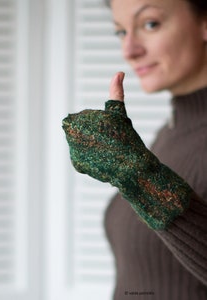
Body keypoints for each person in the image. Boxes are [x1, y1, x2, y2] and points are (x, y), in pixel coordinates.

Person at [62, 0, 207, 299]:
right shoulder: (169, 133)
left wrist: (139, 176)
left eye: (150, 24)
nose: (129, 50)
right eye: (120, 32)